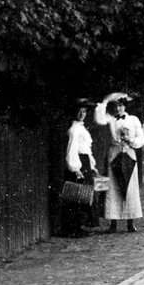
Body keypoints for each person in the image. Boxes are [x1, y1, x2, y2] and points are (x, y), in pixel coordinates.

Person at [93, 93, 144, 233]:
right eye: (116, 105)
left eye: (121, 105)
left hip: (129, 152)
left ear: (125, 106)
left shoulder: (133, 120)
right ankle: (113, 223)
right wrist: (105, 101)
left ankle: (131, 222)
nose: (118, 108)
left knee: (129, 187)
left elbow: (141, 137)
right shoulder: (111, 119)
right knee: (113, 187)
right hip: (114, 153)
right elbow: (99, 119)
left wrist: (132, 141)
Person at [58, 98, 97, 238]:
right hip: (78, 164)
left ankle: (79, 226)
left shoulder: (81, 128)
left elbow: (86, 149)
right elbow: (72, 150)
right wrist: (75, 169)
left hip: (84, 162)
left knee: (84, 196)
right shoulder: (74, 130)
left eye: (84, 111)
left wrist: (92, 165)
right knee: (76, 196)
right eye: (79, 111)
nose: (82, 114)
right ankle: (72, 228)